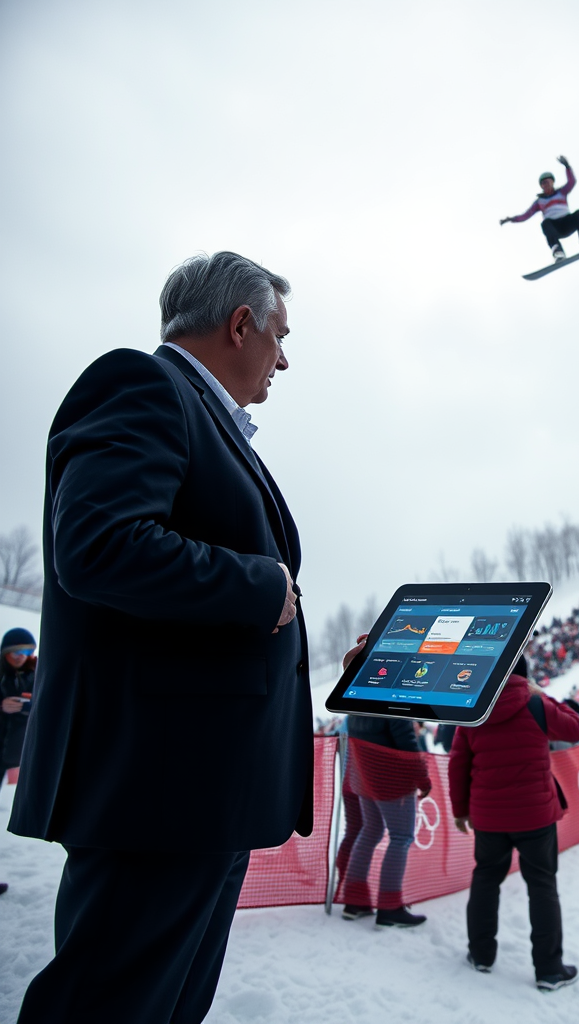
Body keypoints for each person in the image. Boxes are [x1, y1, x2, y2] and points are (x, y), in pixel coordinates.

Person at [10, 252, 314, 1024]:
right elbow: (101, 545)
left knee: (169, 1005)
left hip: (201, 791)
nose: (286, 357)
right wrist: (263, 586)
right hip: (160, 786)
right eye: (280, 335)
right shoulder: (143, 383)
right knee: (113, 1003)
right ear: (239, 325)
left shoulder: (204, 418)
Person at [448, 654, 579, 991]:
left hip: (488, 816)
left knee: (485, 881)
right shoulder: (536, 705)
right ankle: (549, 970)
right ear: (525, 677)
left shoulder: (472, 707)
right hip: (535, 816)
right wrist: (542, 695)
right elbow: (577, 727)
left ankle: (480, 955)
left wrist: (460, 810)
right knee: (542, 886)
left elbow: (457, 764)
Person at [340, 712, 432, 928]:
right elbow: (407, 744)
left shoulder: (358, 699)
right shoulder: (394, 701)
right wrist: (423, 778)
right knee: (401, 837)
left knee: (370, 831)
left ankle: (355, 902)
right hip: (392, 780)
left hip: (365, 776)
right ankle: (390, 907)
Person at [500, 155, 579, 262]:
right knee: (545, 223)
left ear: (552, 182)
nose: (546, 185)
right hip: (555, 227)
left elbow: (571, 182)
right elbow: (525, 215)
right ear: (541, 186)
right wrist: (510, 219)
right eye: (543, 183)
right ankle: (557, 250)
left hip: (567, 222)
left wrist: (567, 167)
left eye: (548, 182)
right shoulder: (539, 202)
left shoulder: (561, 192)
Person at [1, 627, 37, 897]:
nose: (21, 657)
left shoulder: (34, 675)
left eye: (27, 651)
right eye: (16, 652)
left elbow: (44, 703)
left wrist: (25, 707)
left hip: (6, 758)